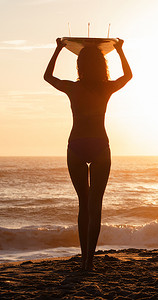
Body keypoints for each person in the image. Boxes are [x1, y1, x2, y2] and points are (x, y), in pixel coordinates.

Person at [44, 38, 132, 271]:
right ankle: (89, 262)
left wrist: (58, 49)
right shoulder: (106, 88)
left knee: (83, 204)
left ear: (80, 66)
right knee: (96, 206)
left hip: (76, 145)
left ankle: (84, 258)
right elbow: (128, 76)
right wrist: (120, 51)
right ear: (102, 65)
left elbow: (48, 77)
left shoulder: (73, 87)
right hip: (100, 145)